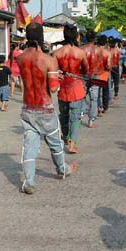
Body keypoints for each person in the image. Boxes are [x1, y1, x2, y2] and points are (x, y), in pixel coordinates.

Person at [17, 23, 77, 194]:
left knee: (29, 145)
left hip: (28, 108)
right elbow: (53, 89)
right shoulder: (49, 60)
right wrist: (57, 77)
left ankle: (29, 181)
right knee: (55, 143)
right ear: (41, 37)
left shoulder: (20, 58)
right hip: (45, 108)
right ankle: (62, 169)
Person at [54, 24, 88, 155]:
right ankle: (72, 144)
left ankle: (66, 138)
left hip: (63, 88)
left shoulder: (57, 53)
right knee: (75, 117)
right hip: (76, 87)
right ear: (76, 36)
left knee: (64, 115)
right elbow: (86, 70)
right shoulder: (80, 53)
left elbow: (54, 71)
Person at [96, 35, 111, 116]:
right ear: (105, 43)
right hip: (104, 74)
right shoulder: (107, 53)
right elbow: (108, 66)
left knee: (97, 92)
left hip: (95, 74)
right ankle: (104, 107)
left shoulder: (94, 51)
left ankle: (98, 107)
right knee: (105, 91)